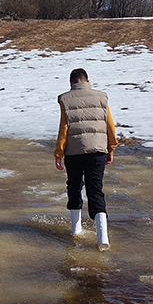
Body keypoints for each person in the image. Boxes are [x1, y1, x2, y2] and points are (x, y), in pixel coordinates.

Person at [54, 67, 117, 249]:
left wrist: (58, 153)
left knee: (74, 188)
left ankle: (76, 231)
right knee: (95, 190)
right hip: (97, 151)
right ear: (88, 81)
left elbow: (64, 129)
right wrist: (110, 148)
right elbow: (110, 125)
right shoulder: (101, 97)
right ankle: (103, 238)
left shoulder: (65, 99)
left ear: (71, 83)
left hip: (74, 153)